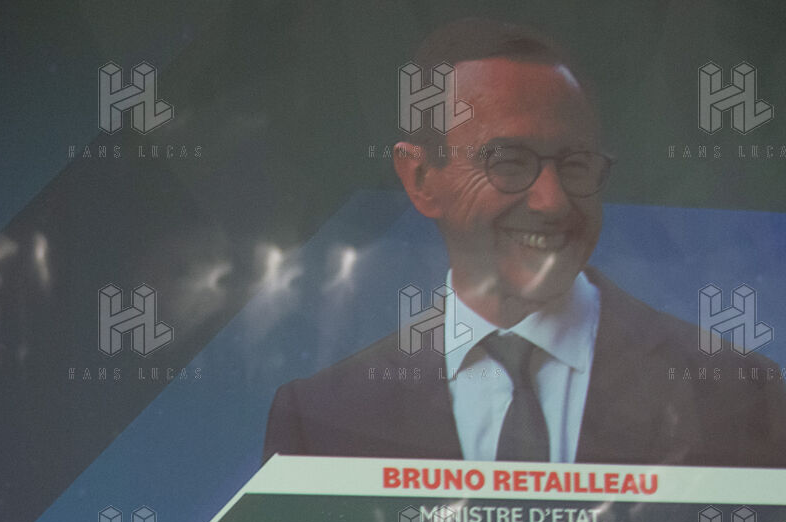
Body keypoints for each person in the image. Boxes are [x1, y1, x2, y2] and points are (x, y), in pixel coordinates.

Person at [265, 18, 786, 466]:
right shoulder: (323, 418)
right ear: (421, 178)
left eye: (576, 163)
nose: (552, 201)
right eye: (509, 161)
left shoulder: (739, 394)